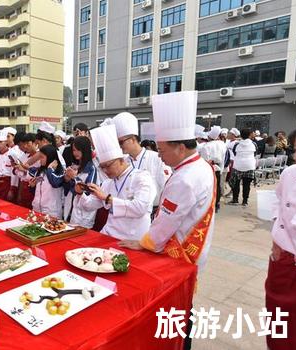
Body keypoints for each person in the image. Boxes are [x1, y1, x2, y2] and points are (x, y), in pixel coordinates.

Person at [119, 91, 216, 350]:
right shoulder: (201, 166)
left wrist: (143, 243)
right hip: (193, 250)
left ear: (180, 147)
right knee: (184, 308)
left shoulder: (185, 178)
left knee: (178, 311)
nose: (159, 155)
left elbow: (164, 226)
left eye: (162, 150)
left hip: (179, 254)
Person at [81, 124, 156, 240]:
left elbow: (140, 208)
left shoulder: (142, 177)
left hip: (133, 240)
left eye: (108, 166)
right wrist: (79, 192)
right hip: (108, 234)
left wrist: (107, 198)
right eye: (102, 167)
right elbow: (88, 206)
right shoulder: (108, 183)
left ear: (121, 160)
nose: (105, 171)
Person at [265, 128, 296, 350]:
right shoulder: (289, 173)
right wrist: (277, 239)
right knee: (280, 318)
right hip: (285, 260)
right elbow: (278, 201)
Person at [111, 112, 169, 214]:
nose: (119, 146)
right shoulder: (123, 162)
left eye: (121, 142)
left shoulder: (156, 158)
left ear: (133, 139)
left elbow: (167, 188)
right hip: (128, 211)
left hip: (153, 211)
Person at [63, 136, 99, 228]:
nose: (75, 153)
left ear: (85, 150)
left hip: (83, 214)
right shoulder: (76, 167)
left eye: (78, 150)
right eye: (74, 150)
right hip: (71, 209)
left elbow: (88, 191)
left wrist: (74, 177)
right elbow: (68, 190)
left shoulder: (92, 169)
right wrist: (67, 179)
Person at [27, 145, 65, 218]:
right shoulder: (40, 171)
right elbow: (36, 192)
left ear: (50, 157)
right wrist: (32, 186)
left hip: (51, 212)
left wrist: (50, 169)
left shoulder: (60, 171)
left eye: (42, 157)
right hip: (36, 209)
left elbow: (55, 183)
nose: (40, 160)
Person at [201, 126, 227, 212]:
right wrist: (221, 169)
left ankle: (208, 205)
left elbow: (205, 160)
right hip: (218, 168)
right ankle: (217, 204)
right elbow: (223, 158)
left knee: (208, 187)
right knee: (217, 186)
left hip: (209, 168)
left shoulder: (206, 146)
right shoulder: (222, 145)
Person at [228, 128, 256, 206]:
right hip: (249, 165)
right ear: (250, 135)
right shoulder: (254, 144)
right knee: (246, 184)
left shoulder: (237, 144)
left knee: (236, 183)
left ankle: (235, 199)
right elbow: (256, 153)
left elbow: (234, 152)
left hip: (238, 165)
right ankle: (245, 201)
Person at [13, 133, 38, 209]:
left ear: (35, 143)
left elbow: (39, 174)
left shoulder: (41, 156)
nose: (25, 146)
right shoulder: (24, 156)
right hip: (24, 188)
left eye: (28, 143)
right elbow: (19, 175)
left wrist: (24, 171)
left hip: (34, 188)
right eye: (24, 144)